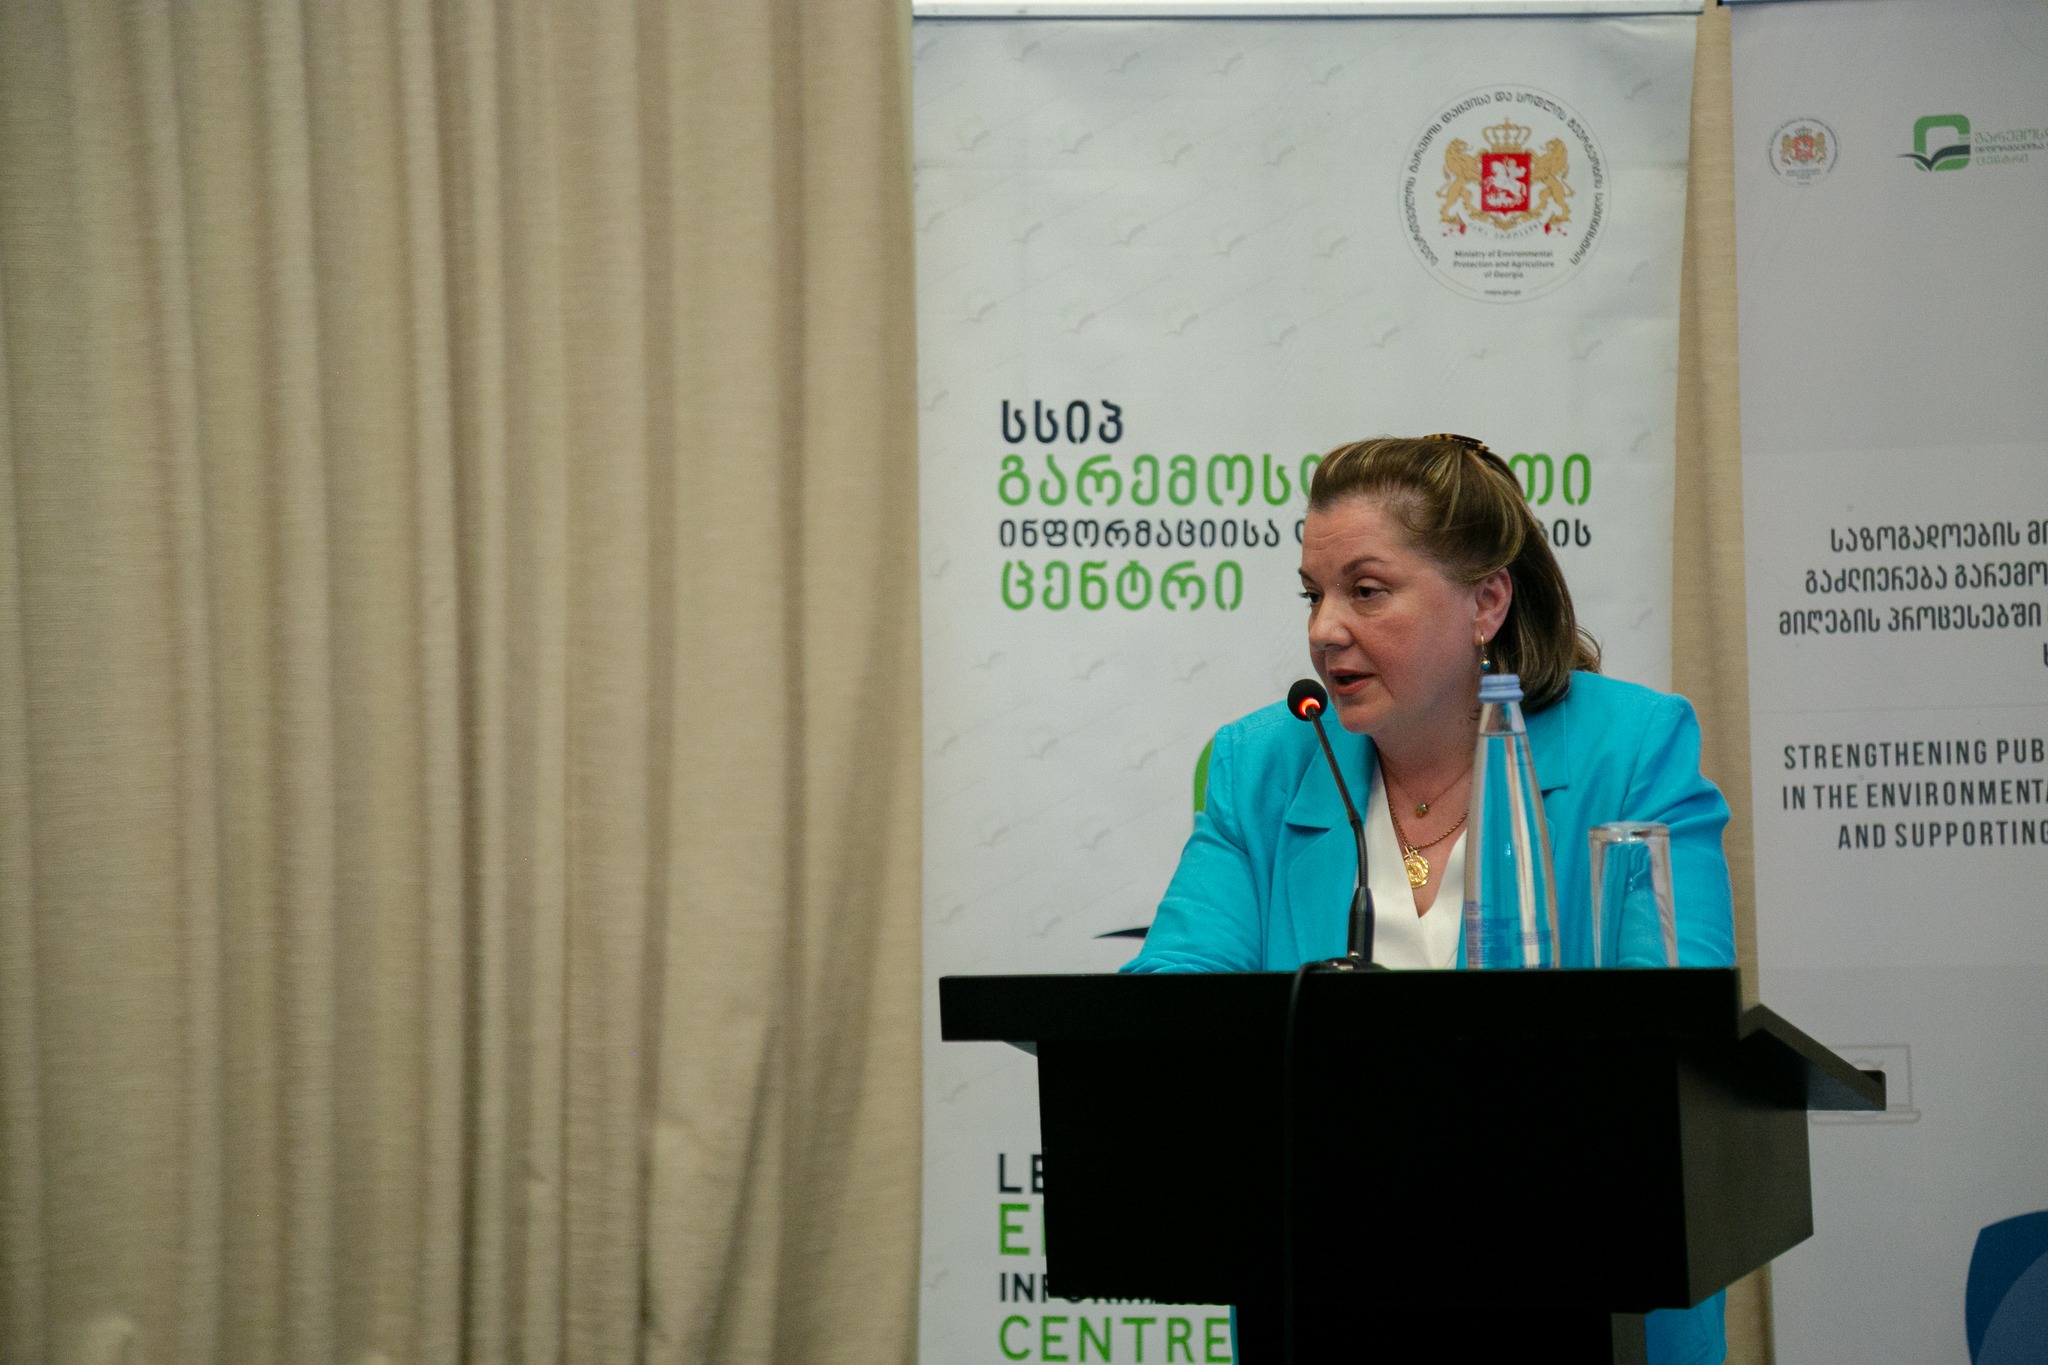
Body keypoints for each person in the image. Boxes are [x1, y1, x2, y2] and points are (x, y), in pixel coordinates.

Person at [1124, 434, 1737, 1365]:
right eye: (1313, 594)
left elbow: (1678, 1025)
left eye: (1366, 591)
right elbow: (1169, 1004)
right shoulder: (1266, 764)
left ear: (1486, 601)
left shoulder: (1633, 750)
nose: (1325, 628)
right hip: (1326, 1307)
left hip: (1589, 1307)